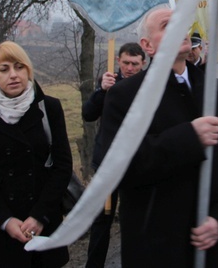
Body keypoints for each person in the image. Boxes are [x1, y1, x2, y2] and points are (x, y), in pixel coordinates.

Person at [98, 7, 218, 267]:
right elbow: (115, 165)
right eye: (166, 25)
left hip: (212, 247)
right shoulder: (125, 96)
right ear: (147, 45)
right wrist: (187, 138)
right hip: (155, 248)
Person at [0, 41, 72, 267]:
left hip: (42, 223)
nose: (13, 75)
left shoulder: (49, 108)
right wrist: (5, 220)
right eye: (4, 69)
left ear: (28, 71)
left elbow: (62, 166)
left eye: (19, 67)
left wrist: (39, 216)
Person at [81, 42, 146, 268]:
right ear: (118, 61)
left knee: (134, 220)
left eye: (135, 64)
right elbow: (88, 114)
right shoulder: (108, 82)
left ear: (143, 64)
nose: (129, 68)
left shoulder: (148, 85)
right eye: (126, 63)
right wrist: (101, 91)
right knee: (102, 219)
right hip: (107, 161)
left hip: (136, 163)